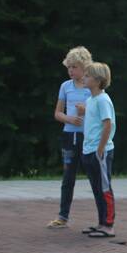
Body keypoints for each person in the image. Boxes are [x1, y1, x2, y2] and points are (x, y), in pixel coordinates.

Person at [48, 46, 93, 228]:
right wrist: (69, 118)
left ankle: (104, 220)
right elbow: (57, 113)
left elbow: (101, 113)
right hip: (69, 135)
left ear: (84, 67)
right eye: (69, 67)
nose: (70, 71)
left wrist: (86, 111)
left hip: (88, 137)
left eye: (74, 67)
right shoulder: (65, 86)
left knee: (94, 176)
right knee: (68, 177)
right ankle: (62, 216)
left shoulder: (92, 86)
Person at [81, 62, 116, 238]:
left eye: (87, 76)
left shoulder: (103, 99)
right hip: (88, 150)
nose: (84, 78)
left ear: (97, 80)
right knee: (96, 188)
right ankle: (101, 222)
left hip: (100, 151)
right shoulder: (91, 100)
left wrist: (100, 149)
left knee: (104, 187)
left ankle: (109, 225)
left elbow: (107, 124)